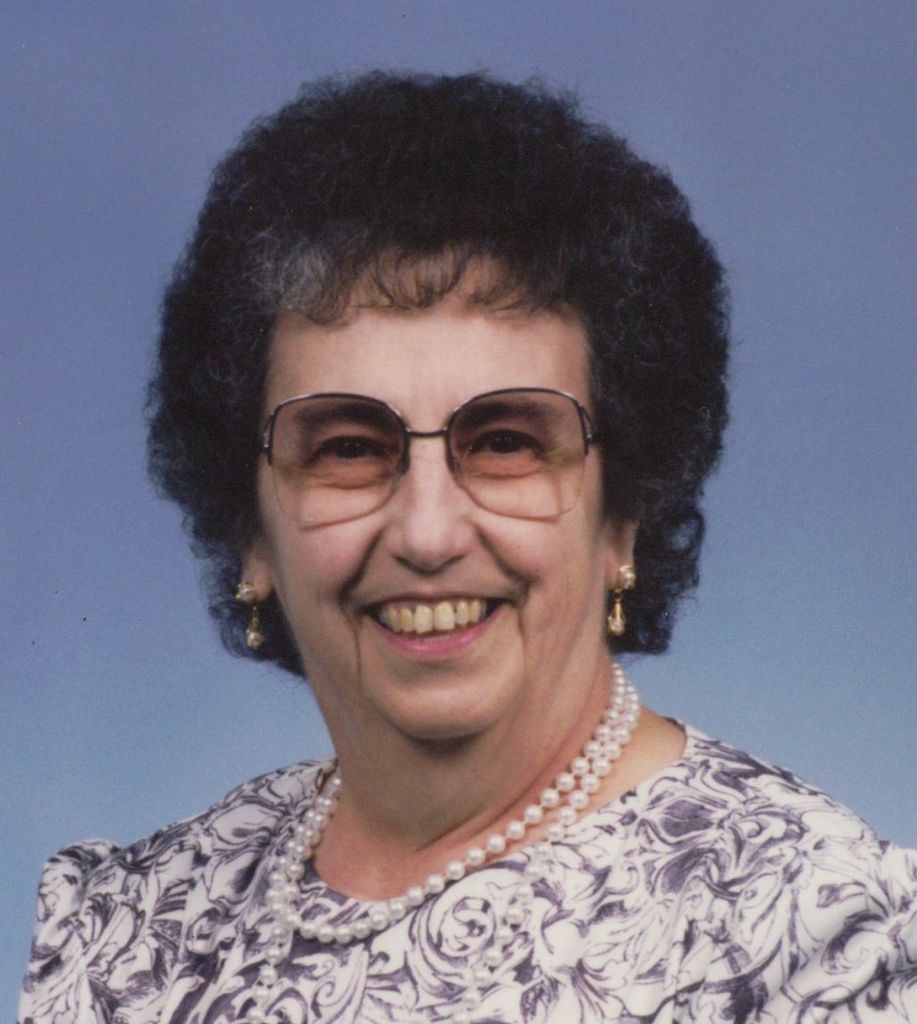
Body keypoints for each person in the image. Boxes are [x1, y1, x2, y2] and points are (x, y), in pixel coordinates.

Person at [18, 72, 916, 1024]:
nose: (428, 532)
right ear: (252, 533)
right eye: (348, 449)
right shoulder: (129, 928)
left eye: (505, 441)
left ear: (623, 512)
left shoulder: (809, 936)